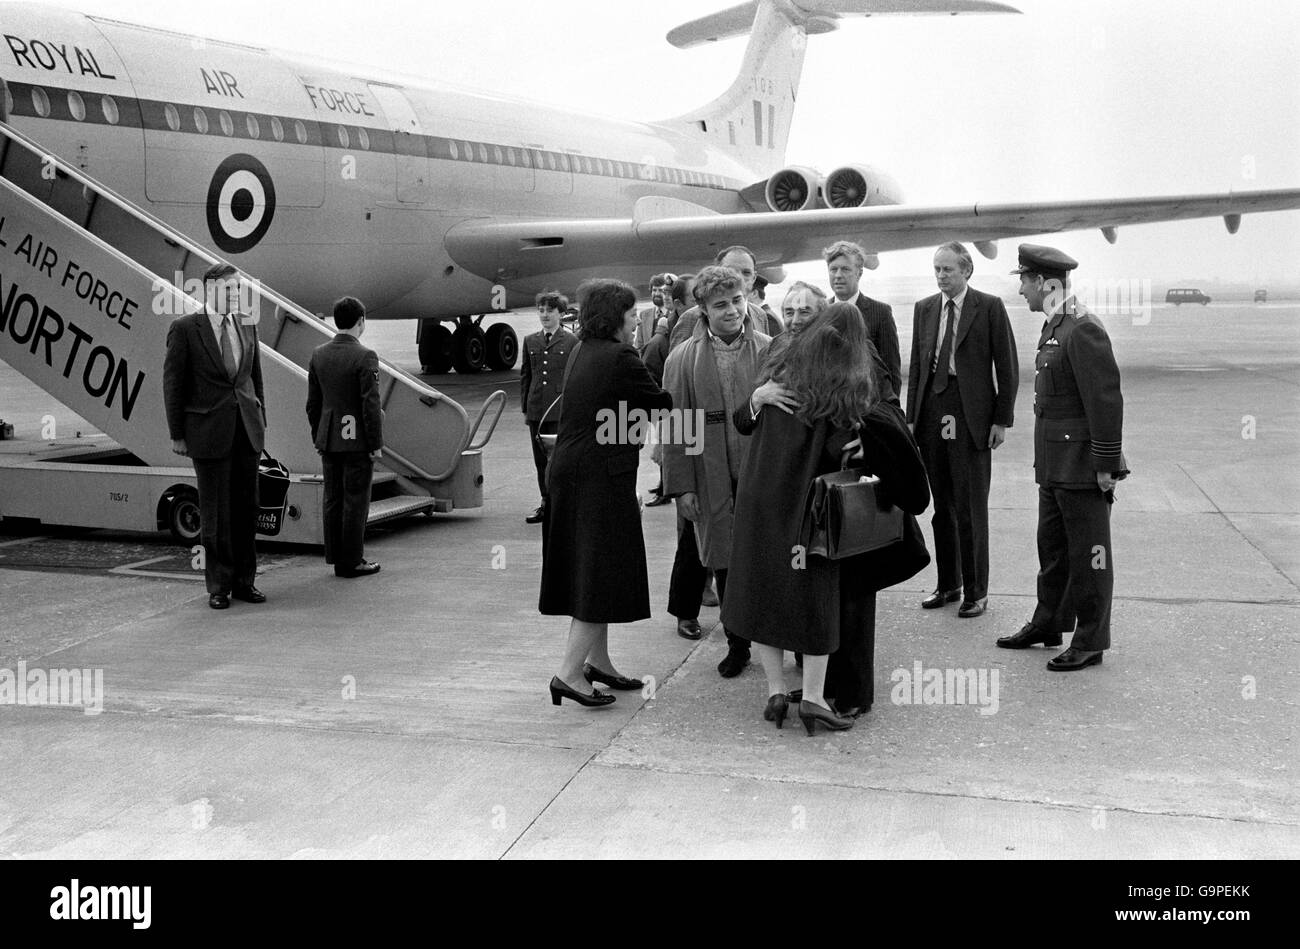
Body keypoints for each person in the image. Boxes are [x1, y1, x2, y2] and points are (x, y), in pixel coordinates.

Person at [726, 303, 923, 733]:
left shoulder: (778, 368)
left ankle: (776, 692)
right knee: (816, 600)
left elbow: (749, 425)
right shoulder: (839, 386)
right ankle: (814, 699)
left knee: (765, 595)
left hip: (758, 503)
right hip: (806, 509)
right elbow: (839, 449)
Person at [541, 279, 672, 707]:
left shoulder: (583, 347)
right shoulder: (620, 356)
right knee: (596, 576)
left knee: (593, 571)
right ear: (615, 317)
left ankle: (598, 663)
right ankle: (568, 675)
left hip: (574, 472)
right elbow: (659, 405)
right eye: (632, 313)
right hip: (595, 479)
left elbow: (615, 410)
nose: (637, 319)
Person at [996, 244, 1127, 671]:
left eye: (1024, 281)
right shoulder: (1055, 326)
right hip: (1053, 465)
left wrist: (1106, 465)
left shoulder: (1082, 328)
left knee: (1090, 555)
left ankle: (1090, 640)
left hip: (1082, 465)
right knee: (1052, 551)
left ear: (1044, 283)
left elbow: (1104, 401)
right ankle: (1049, 622)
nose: (1020, 291)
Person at [663, 265, 771, 677]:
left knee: (768, 559)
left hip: (760, 474)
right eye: (721, 304)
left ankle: (783, 640)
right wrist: (682, 487)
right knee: (723, 561)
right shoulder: (682, 358)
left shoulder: (769, 347)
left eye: (738, 301)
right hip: (709, 477)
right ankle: (738, 645)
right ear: (704, 311)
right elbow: (676, 427)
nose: (732, 311)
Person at [907, 242, 1019, 619]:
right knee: (943, 507)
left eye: (948, 270)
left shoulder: (988, 307)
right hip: (932, 412)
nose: (941, 276)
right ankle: (949, 584)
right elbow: (918, 368)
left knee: (970, 507)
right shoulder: (924, 309)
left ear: (966, 270)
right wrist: (911, 418)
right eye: (936, 269)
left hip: (970, 413)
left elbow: (1006, 366)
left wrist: (1001, 420)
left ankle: (977, 591)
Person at [163, 262, 267, 611]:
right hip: (207, 432)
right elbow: (173, 384)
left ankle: (244, 581)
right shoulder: (185, 328)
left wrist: (260, 418)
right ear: (209, 289)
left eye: (238, 289)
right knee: (216, 513)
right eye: (229, 290)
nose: (235, 295)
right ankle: (219, 585)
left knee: (246, 509)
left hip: (246, 430)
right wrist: (177, 433)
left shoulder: (247, 325)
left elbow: (254, 376)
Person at [306, 296, 384, 578]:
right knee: (356, 501)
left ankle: (335, 556)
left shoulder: (318, 353)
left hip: (329, 439)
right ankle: (352, 560)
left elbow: (313, 405)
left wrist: (320, 436)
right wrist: (375, 444)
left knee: (333, 499)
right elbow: (370, 406)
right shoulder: (365, 356)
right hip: (357, 442)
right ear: (360, 322)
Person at [519, 290, 578, 524]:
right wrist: (526, 408)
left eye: (550, 311)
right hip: (537, 410)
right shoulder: (530, 340)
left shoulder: (571, 341)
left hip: (559, 410)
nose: (544, 315)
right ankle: (546, 502)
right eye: (541, 310)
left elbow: (574, 378)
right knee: (540, 461)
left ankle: (562, 503)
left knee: (560, 460)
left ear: (561, 313)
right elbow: (527, 375)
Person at [824, 240, 902, 405]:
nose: (838, 275)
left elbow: (892, 371)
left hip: (869, 411)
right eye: (833, 269)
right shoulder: (821, 313)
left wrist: (891, 414)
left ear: (859, 273)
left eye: (845, 269)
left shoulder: (881, 313)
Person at [643, 274, 694, 507]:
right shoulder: (663, 341)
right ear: (679, 305)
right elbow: (653, 381)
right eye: (695, 300)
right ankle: (667, 488)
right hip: (679, 421)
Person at [668, 246, 772, 349]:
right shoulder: (691, 317)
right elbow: (676, 361)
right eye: (731, 271)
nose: (739, 277)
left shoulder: (760, 315)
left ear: (754, 277)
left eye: (746, 272)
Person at [634, 273, 674, 354]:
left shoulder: (674, 314)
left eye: (661, 290)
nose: (657, 294)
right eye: (654, 290)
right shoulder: (644, 315)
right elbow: (639, 345)